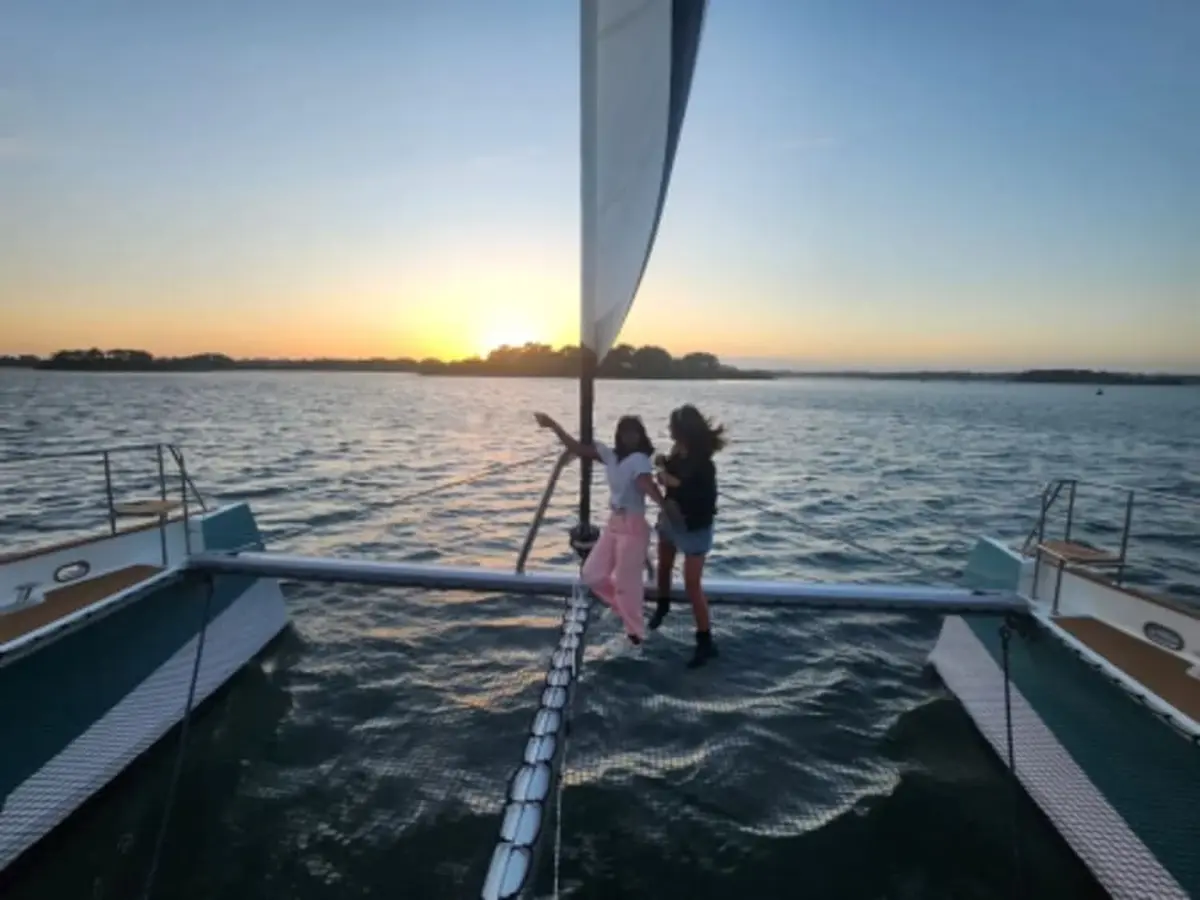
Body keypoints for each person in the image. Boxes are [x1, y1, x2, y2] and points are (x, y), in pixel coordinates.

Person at [533, 411, 681, 644]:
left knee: (626, 583)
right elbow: (576, 447)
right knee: (591, 575)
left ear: (640, 436)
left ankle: (636, 633)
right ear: (619, 435)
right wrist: (553, 425)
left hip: (633, 527)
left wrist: (665, 507)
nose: (629, 436)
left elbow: (646, 485)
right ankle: (627, 612)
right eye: (625, 432)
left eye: (634, 432)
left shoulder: (640, 460)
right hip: (614, 524)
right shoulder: (610, 456)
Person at [650, 404, 724, 668]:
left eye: (672, 426)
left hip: (695, 528)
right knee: (664, 565)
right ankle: (662, 604)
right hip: (672, 520)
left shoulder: (703, 463)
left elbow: (676, 482)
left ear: (683, 430)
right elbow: (670, 472)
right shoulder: (679, 452)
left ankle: (705, 641)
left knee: (693, 584)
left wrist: (662, 473)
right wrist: (662, 463)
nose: (669, 429)